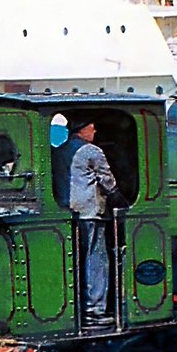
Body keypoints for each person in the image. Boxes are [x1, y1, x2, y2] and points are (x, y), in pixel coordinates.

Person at [68, 119, 123, 326]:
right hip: (90, 211)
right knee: (97, 259)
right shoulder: (91, 151)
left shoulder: (60, 150)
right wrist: (120, 198)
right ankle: (95, 309)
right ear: (82, 129)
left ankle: (81, 307)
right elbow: (107, 181)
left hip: (69, 211)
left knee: (78, 259)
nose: (95, 130)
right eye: (92, 126)